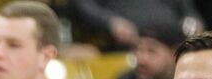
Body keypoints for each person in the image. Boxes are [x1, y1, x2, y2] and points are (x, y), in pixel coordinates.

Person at [68, 0, 201, 48]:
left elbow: (188, 10)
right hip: (128, 37)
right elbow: (82, 4)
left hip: (174, 38)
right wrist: (110, 22)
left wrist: (193, 21)